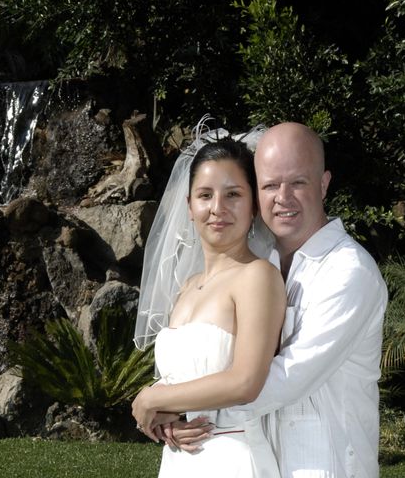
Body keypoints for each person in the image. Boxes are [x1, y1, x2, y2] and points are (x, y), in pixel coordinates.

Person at [135, 122, 388, 478]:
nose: (282, 197)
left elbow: (285, 378)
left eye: (298, 182)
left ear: (324, 183)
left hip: (326, 465)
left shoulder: (348, 272)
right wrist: (170, 406)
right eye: (270, 185)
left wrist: (169, 405)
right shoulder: (263, 261)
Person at [132, 120, 287, 477]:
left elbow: (246, 382)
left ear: (253, 206)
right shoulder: (187, 287)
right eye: (205, 195)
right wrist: (166, 417)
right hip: (179, 459)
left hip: (232, 456)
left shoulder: (257, 276)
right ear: (189, 206)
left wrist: (151, 399)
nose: (218, 208)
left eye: (233, 194)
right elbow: (183, 379)